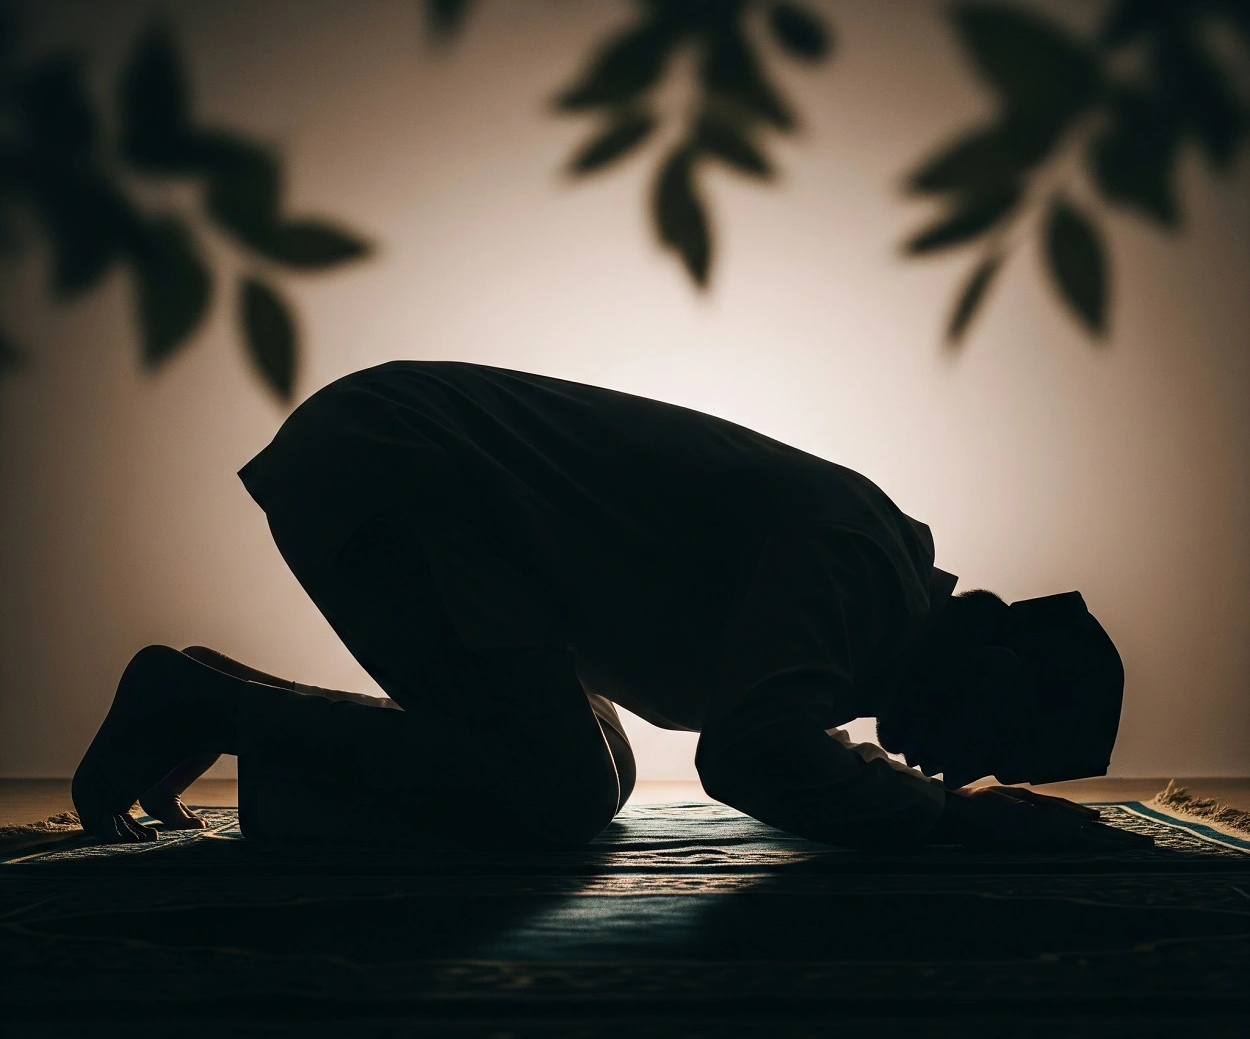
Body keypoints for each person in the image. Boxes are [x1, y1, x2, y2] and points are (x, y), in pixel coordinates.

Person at [72, 361, 1152, 852]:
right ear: (994, 676)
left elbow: (766, 736)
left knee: (601, 771)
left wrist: (934, 809)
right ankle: (196, 700)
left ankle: (219, 698)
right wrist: (951, 825)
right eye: (992, 752)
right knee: (556, 790)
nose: (959, 771)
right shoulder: (860, 568)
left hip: (405, 459)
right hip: (402, 468)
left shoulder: (864, 583)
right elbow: (749, 751)